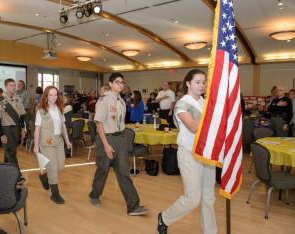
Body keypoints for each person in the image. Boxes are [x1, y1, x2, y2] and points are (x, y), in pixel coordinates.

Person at [158, 69, 216, 234]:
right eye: (198, 82)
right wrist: (213, 112)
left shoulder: (205, 102)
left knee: (208, 197)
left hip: (207, 153)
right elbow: (193, 126)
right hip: (189, 153)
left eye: (204, 82)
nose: (202, 85)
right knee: (192, 198)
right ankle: (164, 217)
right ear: (188, 83)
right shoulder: (182, 104)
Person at [89, 72, 149, 216]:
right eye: (117, 82)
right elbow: (99, 124)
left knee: (124, 173)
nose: (120, 85)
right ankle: (94, 195)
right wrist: (106, 145)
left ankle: (133, 206)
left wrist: (121, 140)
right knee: (102, 170)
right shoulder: (103, 101)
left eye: (122, 82)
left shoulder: (121, 101)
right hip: (107, 139)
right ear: (110, 84)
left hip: (120, 140)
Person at [33, 86, 72, 204]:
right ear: (46, 96)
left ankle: (44, 176)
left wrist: (67, 140)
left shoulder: (60, 108)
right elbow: (37, 128)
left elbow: (63, 126)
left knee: (60, 166)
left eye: (55, 95)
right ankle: (55, 194)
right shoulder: (41, 110)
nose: (53, 97)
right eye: (50, 95)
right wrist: (36, 145)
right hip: (46, 142)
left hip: (59, 141)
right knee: (53, 168)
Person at [0, 79, 27, 184]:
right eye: (11, 85)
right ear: (6, 87)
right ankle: (17, 176)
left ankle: (4, 172)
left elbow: (21, 116)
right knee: (10, 151)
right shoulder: (1, 100)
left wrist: (22, 129)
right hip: (6, 128)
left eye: (14, 85)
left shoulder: (18, 99)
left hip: (15, 128)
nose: (13, 87)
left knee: (10, 151)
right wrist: (1, 134)